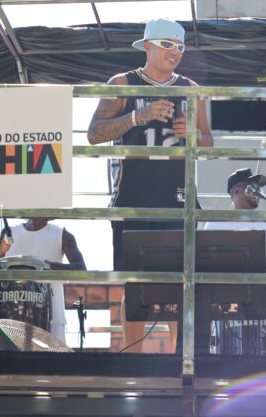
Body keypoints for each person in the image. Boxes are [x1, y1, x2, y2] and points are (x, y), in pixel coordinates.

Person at [87, 18, 213, 352]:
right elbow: (94, 134)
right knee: (134, 284)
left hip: (178, 198)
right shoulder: (122, 83)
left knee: (180, 283)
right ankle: (134, 360)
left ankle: (179, 361)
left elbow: (208, 141)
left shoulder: (190, 88)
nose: (175, 52)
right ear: (147, 46)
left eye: (180, 47)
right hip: (134, 197)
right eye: (167, 45)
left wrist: (193, 136)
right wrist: (136, 117)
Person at [0, 218, 86, 343]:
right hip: (9, 318)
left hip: (53, 318)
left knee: (53, 356)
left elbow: (81, 269)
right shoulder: (9, 232)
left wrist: (47, 266)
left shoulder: (62, 234)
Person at [204, 168, 266, 273]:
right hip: (228, 283)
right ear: (235, 191)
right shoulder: (215, 224)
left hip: (263, 283)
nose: (256, 192)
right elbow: (205, 262)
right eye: (251, 188)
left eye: (258, 189)